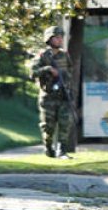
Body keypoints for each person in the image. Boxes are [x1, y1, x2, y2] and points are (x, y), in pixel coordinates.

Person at [29, 25, 76, 158]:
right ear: (49, 39)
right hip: (48, 96)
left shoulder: (65, 55)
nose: (60, 40)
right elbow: (32, 73)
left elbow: (70, 72)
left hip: (63, 95)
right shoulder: (42, 56)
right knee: (48, 127)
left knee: (65, 124)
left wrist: (65, 80)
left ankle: (62, 151)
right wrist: (48, 69)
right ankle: (48, 148)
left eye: (61, 37)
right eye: (57, 38)